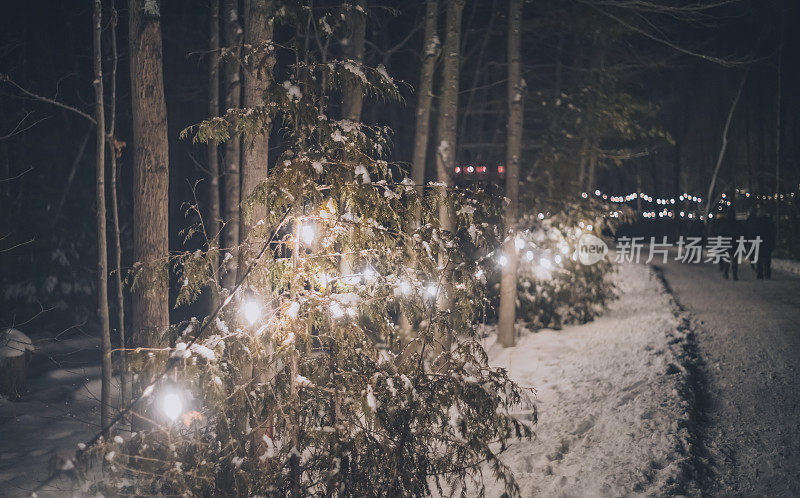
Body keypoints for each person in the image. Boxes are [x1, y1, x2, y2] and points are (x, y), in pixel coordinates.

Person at [754, 211, 776, 279]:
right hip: (767, 242)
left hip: (759, 242)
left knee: (759, 259)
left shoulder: (757, 222)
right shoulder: (769, 222)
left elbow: (754, 232)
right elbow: (773, 233)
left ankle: (760, 274)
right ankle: (767, 274)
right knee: (767, 259)